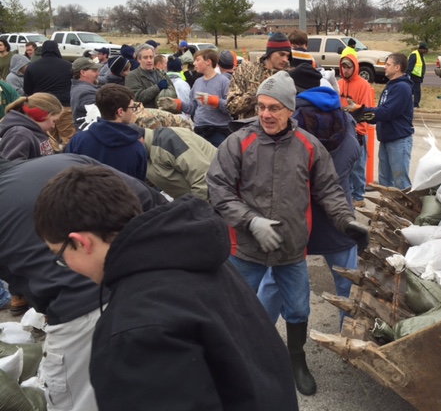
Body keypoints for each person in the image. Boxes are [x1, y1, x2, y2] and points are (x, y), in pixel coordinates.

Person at [34, 164, 299, 411]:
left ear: (81, 242)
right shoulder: (195, 254)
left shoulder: (134, 332)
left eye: (60, 255)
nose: (64, 265)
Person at [207, 70, 369, 396]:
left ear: (290, 110)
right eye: (261, 107)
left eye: (274, 108)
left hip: (292, 248)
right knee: (236, 308)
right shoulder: (238, 143)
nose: (265, 114)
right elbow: (218, 190)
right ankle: (235, 363)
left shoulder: (308, 146)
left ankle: (296, 360)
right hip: (247, 248)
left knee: (297, 309)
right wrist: (250, 221)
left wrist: (346, 221)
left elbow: (330, 191)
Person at [0, 153, 163, 411]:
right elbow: (143, 196)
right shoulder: (63, 161)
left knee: (75, 400)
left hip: (76, 308)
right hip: (140, 281)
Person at [258, 70, 361, 329]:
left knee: (275, 280)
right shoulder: (345, 118)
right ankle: (351, 335)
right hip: (338, 213)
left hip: (297, 214)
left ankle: (256, 334)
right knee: (349, 280)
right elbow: (356, 155)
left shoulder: (291, 120)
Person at [347, 53, 414, 190]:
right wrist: (362, 112)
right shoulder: (392, 86)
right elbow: (382, 109)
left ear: (397, 67)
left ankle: (406, 210)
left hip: (398, 140)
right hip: (387, 139)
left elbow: (386, 112)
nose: (385, 67)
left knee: (400, 181)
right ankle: (386, 209)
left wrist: (361, 111)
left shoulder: (402, 88)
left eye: (388, 64)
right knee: (385, 181)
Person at [65, 84, 147, 180]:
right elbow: (139, 183)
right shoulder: (136, 147)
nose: (133, 111)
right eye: (132, 107)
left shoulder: (78, 140)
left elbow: (68, 174)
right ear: (120, 112)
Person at [159, 49, 231, 148]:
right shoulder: (197, 82)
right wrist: (178, 105)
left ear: (208, 62)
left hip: (218, 132)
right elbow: (193, 108)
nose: (194, 63)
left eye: (197, 60)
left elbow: (231, 108)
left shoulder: (224, 81)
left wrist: (215, 101)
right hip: (199, 131)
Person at [132, 124, 216, 200]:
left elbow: (202, 177)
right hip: (195, 201)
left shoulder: (169, 140)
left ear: (140, 140)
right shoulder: (142, 155)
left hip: (219, 195)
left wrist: (195, 210)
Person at [226, 32, 291, 119]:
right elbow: (231, 107)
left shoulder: (287, 77)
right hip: (248, 129)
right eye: (281, 54)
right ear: (270, 53)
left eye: (287, 56)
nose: (285, 60)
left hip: (276, 129)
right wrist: (257, 93)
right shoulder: (245, 70)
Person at [338, 54, 375, 207]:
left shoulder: (363, 85)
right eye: (343, 67)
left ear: (355, 68)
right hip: (342, 131)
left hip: (357, 132)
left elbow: (367, 111)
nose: (345, 70)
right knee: (344, 165)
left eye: (349, 67)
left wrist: (360, 131)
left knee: (358, 165)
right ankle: (349, 193)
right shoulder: (339, 84)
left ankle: (358, 196)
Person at [23, 40, 74, 148]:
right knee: (68, 139)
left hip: (43, 108)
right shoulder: (68, 65)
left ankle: (51, 160)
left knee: (48, 141)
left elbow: (27, 89)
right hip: (65, 106)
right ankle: (71, 160)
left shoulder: (32, 67)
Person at [0, 93, 62, 160]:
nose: (53, 126)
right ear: (40, 116)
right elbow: (13, 166)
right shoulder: (19, 135)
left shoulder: (38, 132)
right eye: (54, 121)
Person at [124, 43, 176, 108]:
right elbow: (136, 98)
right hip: (146, 115)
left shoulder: (161, 73)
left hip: (164, 114)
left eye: (151, 57)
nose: (149, 60)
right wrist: (157, 87)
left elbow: (173, 92)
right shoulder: (132, 76)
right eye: (145, 58)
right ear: (139, 59)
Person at [70, 57, 102, 129]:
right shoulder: (86, 92)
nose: (98, 73)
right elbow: (98, 117)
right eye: (94, 71)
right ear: (83, 73)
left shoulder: (81, 88)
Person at [407, 42, 428, 108]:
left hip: (418, 76)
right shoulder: (414, 55)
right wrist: (408, 75)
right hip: (414, 75)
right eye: (424, 49)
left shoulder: (421, 55)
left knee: (413, 90)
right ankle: (415, 104)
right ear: (421, 49)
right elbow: (410, 66)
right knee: (417, 91)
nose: (425, 51)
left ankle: (411, 103)